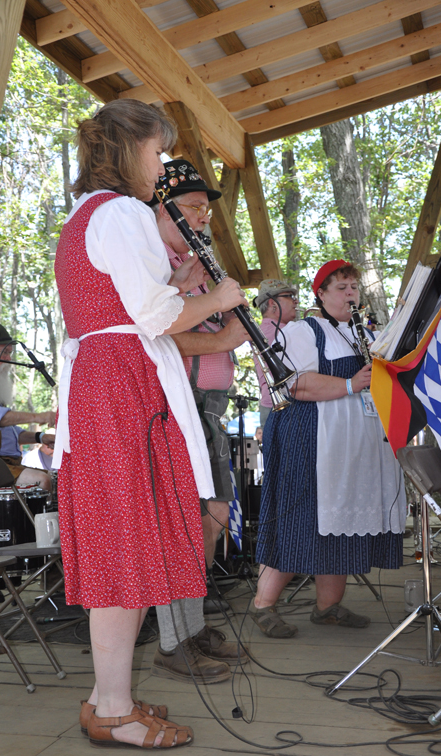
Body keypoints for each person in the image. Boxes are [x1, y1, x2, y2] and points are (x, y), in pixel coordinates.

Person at [53, 99, 247, 750]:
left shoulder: (85, 215)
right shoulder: (124, 212)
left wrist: (178, 278)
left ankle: (109, 696)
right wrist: (216, 299)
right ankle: (112, 707)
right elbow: (156, 317)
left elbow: (127, 299)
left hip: (103, 383)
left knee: (121, 541)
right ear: (128, 148)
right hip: (124, 388)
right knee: (127, 541)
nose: (160, 165)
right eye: (156, 151)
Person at [251, 260, 405, 638]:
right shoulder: (305, 330)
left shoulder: (363, 336)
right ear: (320, 294)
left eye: (354, 287)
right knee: (299, 519)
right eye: (341, 288)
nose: (351, 294)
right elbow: (294, 386)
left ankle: (328, 606)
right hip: (308, 439)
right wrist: (351, 384)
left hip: (349, 446)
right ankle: (262, 606)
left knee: (338, 523)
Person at [149, 159, 250, 682]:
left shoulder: (184, 261)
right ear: (162, 208)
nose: (203, 218)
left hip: (207, 404)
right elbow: (154, 336)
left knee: (208, 515)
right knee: (185, 518)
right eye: (192, 207)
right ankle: (175, 638)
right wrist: (221, 337)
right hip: (175, 400)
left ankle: (191, 623)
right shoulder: (148, 256)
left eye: (205, 209)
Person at [0, 320, 55, 489]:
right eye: (4, 352)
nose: (9, 359)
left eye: (10, 352)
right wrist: (41, 416)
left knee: (59, 480)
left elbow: (5, 432)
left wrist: (40, 437)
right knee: (42, 481)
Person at [253, 280, 298, 426]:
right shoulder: (282, 331)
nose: (295, 301)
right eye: (290, 296)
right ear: (273, 304)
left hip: (270, 405)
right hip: (285, 404)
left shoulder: (263, 330)